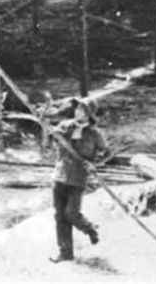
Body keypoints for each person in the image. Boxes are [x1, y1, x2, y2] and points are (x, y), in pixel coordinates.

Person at [45, 98, 108, 263]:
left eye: (82, 110)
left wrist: (94, 164)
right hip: (59, 176)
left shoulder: (94, 134)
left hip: (78, 178)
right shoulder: (65, 126)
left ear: (89, 114)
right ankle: (65, 253)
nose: (77, 112)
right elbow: (49, 141)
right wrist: (49, 132)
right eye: (77, 109)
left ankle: (90, 229)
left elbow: (106, 153)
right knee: (60, 216)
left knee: (72, 214)